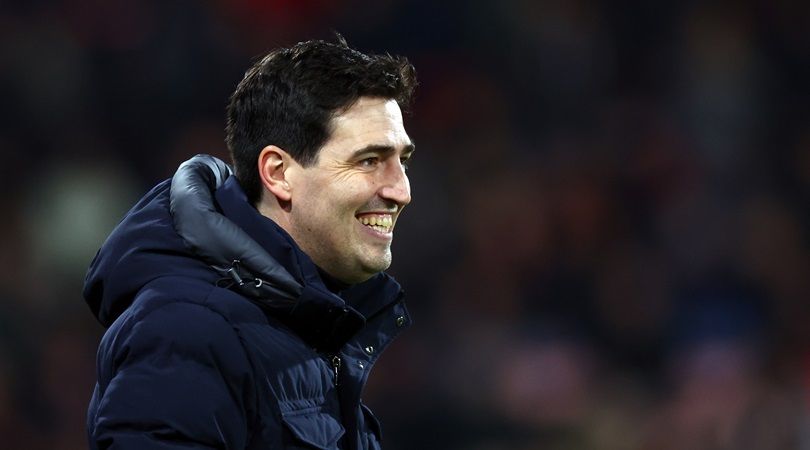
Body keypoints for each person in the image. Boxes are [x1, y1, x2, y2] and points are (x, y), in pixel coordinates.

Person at [83, 36, 417, 450]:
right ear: (278, 173)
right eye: (369, 160)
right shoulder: (187, 330)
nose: (401, 191)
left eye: (401, 161)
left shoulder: (306, 324)